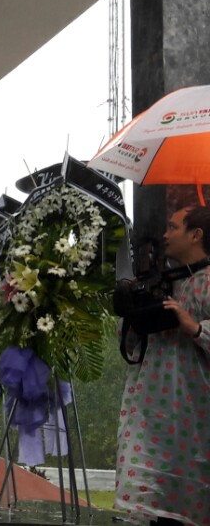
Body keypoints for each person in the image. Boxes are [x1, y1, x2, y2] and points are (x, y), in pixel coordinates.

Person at [114, 206, 210, 526]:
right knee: (144, 502)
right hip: (147, 408)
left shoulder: (208, 282)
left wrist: (195, 328)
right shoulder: (162, 281)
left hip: (192, 412)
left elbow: (197, 331)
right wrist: (135, 314)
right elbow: (131, 344)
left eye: (173, 227)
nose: (165, 235)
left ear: (196, 235)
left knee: (185, 505)